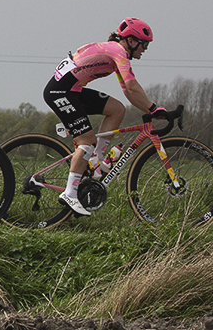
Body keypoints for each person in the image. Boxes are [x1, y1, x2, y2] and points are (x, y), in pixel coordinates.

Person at [42, 17, 166, 216]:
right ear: (132, 41)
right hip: (61, 92)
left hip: (72, 90)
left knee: (117, 109)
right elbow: (133, 86)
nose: (144, 50)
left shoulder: (116, 52)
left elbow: (127, 91)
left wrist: (150, 111)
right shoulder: (118, 52)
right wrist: (153, 107)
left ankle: (96, 161)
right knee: (87, 140)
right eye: (144, 45)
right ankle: (70, 193)